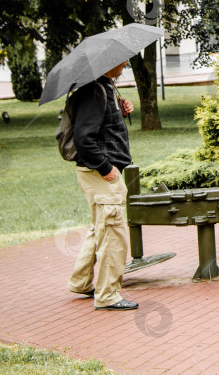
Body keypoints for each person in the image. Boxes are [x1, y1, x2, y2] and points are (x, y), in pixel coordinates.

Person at [67, 61, 139, 311]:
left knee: (100, 227)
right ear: (108, 62)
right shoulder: (95, 90)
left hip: (102, 171)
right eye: (123, 59)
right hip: (100, 172)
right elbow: (84, 138)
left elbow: (102, 127)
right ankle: (108, 294)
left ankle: (81, 281)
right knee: (113, 233)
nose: (127, 63)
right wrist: (106, 168)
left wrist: (122, 111)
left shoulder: (105, 86)